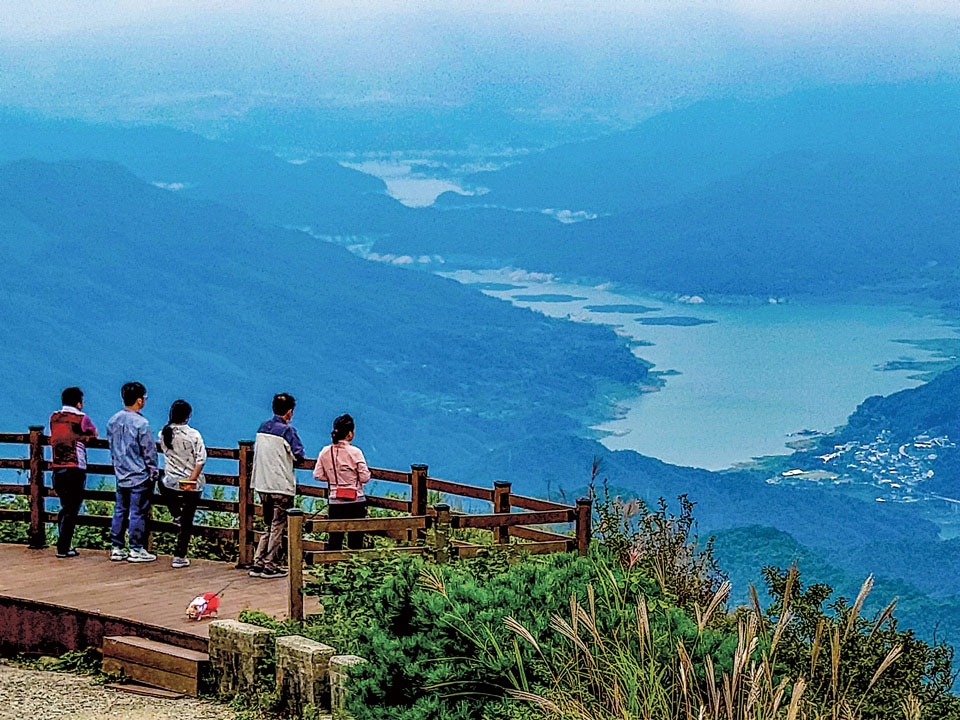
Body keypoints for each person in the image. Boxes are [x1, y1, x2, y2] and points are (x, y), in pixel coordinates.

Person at [249, 393, 305, 579]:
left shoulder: (262, 428)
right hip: (280, 486)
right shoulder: (288, 431)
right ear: (289, 412)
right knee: (278, 526)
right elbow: (299, 455)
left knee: (267, 524)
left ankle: (258, 562)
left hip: (261, 484)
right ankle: (270, 565)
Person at [107, 382, 159, 563]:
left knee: (120, 510)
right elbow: (149, 451)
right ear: (139, 400)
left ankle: (116, 547)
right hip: (139, 475)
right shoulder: (141, 424)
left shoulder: (113, 421)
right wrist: (153, 470)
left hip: (121, 474)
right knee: (137, 512)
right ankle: (136, 549)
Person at [48, 387, 98, 558]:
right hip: (75, 467)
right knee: (72, 508)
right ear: (79, 403)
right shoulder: (81, 418)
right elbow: (94, 433)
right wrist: (84, 438)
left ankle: (63, 543)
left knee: (65, 506)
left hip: (57, 466)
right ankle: (63, 547)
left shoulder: (54, 418)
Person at [157, 400, 207, 569]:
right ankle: (179, 556)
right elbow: (201, 460)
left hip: (171, 483)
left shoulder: (163, 434)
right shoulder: (194, 435)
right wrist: (191, 480)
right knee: (188, 520)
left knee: (160, 480)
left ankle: (175, 513)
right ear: (188, 416)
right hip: (191, 483)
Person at [313, 414, 370, 551]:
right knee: (356, 540)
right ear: (350, 434)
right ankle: (352, 568)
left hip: (335, 500)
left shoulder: (325, 452)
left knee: (334, 538)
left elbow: (317, 475)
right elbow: (365, 477)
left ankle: (331, 566)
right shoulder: (355, 452)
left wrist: (333, 480)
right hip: (356, 500)